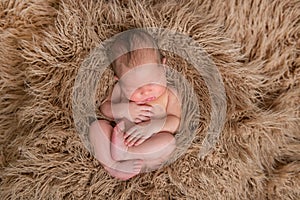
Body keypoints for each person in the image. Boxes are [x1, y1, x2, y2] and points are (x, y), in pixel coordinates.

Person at [89, 30, 181, 180]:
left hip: (149, 145)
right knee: (96, 127)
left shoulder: (170, 94)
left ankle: (127, 154)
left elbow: (174, 122)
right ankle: (112, 165)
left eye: (152, 82)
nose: (145, 92)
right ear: (119, 80)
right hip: (118, 139)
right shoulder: (121, 90)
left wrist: (154, 126)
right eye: (135, 88)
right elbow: (104, 108)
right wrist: (124, 109)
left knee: (169, 143)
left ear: (163, 66)